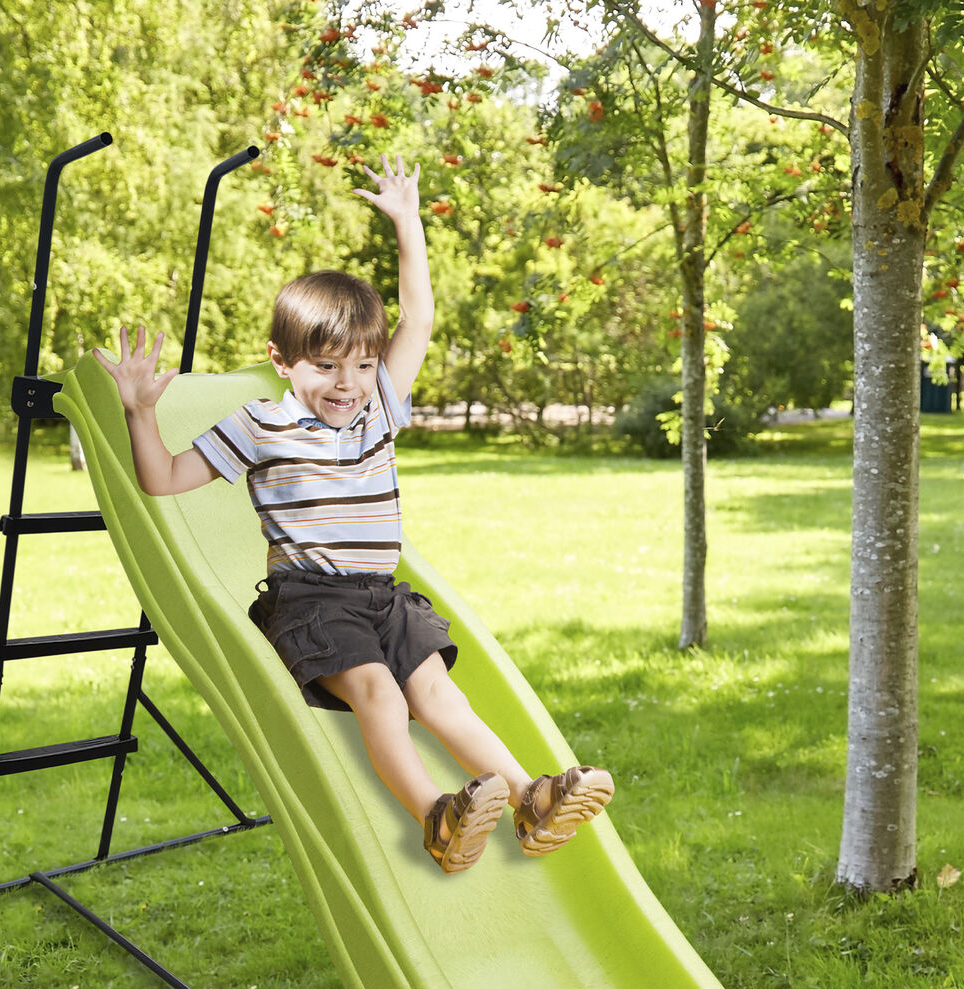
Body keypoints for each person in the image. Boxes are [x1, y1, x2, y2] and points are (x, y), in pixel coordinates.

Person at [94, 156, 612, 875]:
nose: (348, 383)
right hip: (311, 601)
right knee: (379, 693)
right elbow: (162, 479)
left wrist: (408, 225)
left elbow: (420, 316)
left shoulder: (379, 413)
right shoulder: (259, 425)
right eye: (327, 367)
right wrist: (140, 412)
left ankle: (530, 800)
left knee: (438, 692)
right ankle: (436, 816)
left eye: (363, 365)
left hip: (383, 595)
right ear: (282, 360)